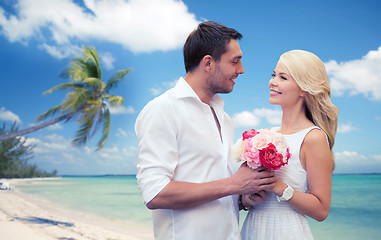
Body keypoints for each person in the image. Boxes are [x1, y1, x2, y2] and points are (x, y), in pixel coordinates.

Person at [135, 21, 276, 240]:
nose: (241, 70)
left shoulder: (224, 117)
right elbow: (155, 194)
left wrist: (241, 198)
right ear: (208, 63)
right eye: (235, 61)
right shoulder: (163, 109)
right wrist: (234, 184)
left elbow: (215, 186)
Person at [240, 50, 339, 240]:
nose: (272, 82)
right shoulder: (264, 135)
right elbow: (250, 196)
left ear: (303, 89)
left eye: (282, 77)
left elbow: (321, 210)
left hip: (286, 232)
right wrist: (249, 197)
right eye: (273, 75)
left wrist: (278, 187)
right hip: (252, 229)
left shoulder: (313, 138)